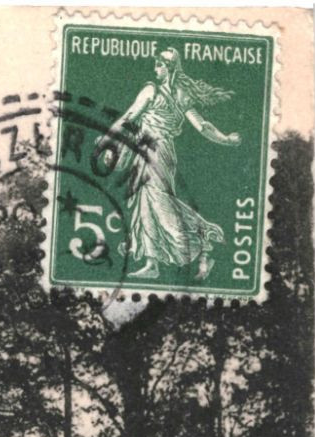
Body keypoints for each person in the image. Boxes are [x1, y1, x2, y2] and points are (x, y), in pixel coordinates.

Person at [100, 47, 241, 282]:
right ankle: (152, 262)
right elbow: (203, 126)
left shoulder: (151, 91)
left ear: (169, 68)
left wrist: (104, 141)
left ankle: (201, 242)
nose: (155, 68)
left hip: (154, 151)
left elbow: (127, 118)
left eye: (159, 64)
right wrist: (225, 139)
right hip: (156, 151)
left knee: (157, 201)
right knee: (147, 202)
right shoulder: (181, 95)